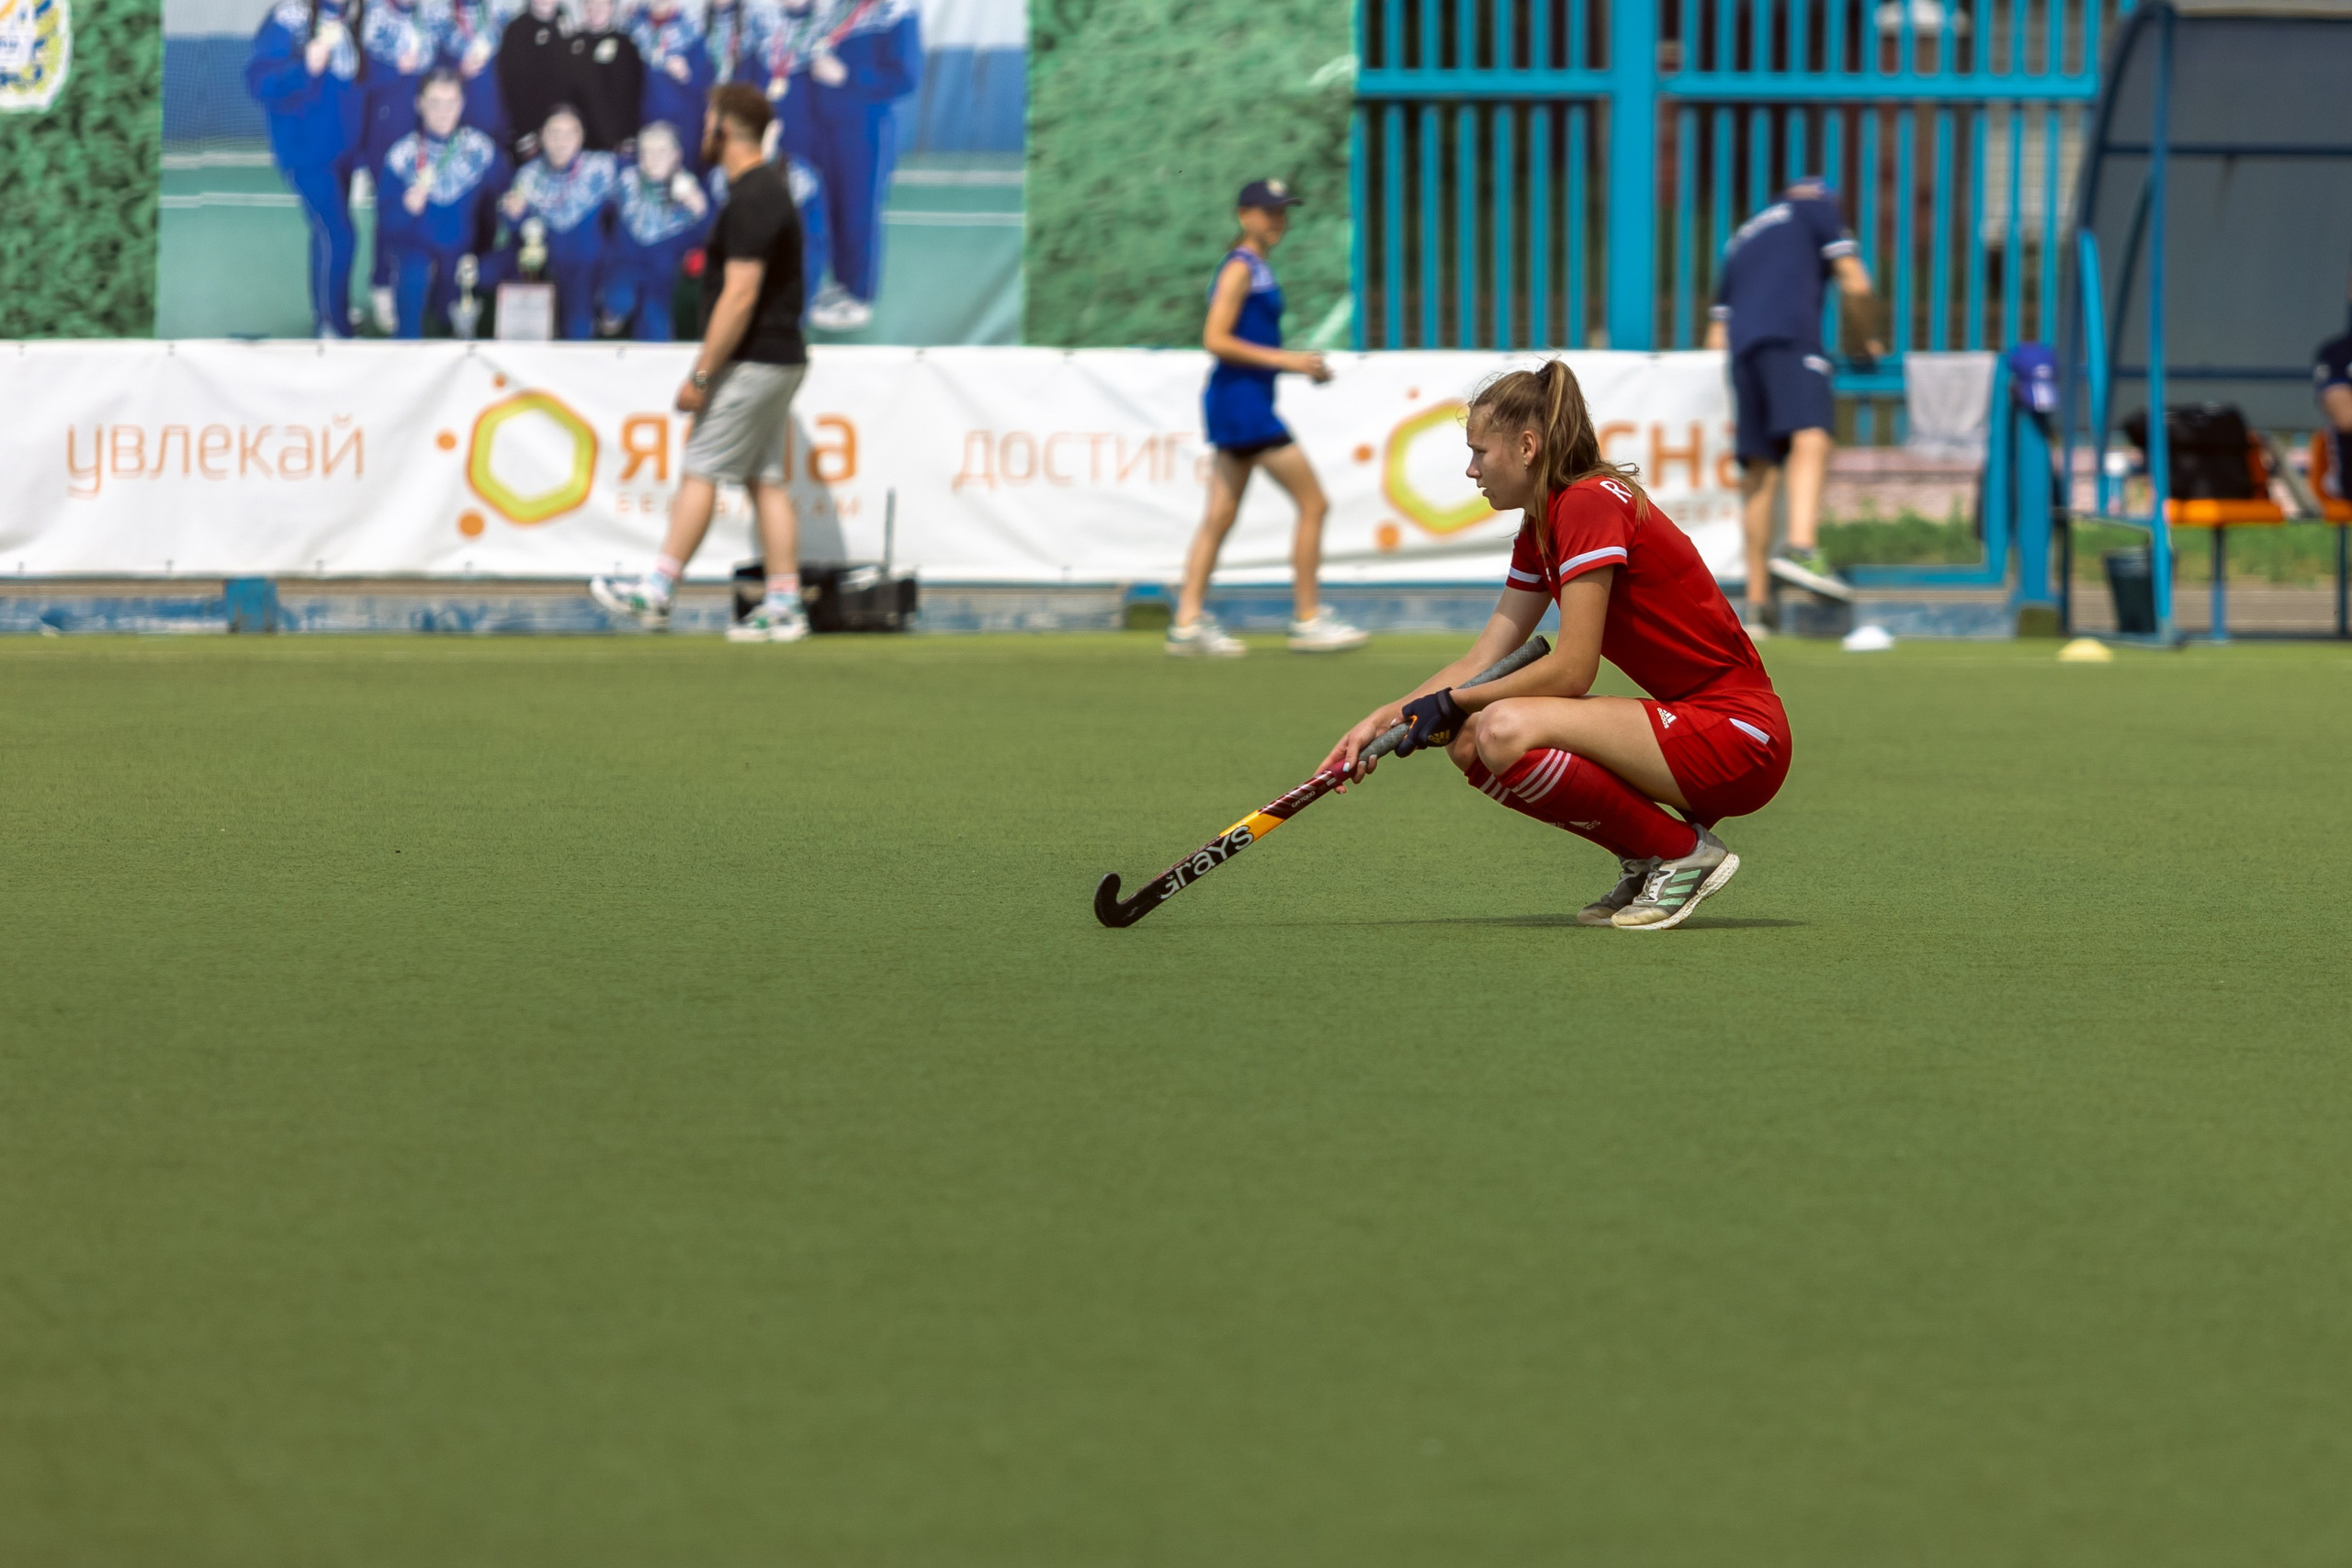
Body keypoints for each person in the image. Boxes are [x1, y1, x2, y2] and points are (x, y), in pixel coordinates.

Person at [1319, 361, 1791, 931]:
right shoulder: (1539, 528)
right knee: (1470, 741)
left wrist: (1459, 701)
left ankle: (1682, 852)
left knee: (1499, 725)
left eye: (1479, 453)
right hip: (1690, 726)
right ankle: (1652, 854)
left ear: (1526, 446)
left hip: (1741, 736)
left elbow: (1572, 670)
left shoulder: (1588, 503)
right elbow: (1479, 660)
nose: (1471, 471)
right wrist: (1383, 718)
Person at [592, 83, 814, 644]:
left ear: (724, 130)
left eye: (708, 120)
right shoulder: (759, 191)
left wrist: (702, 376)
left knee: (700, 466)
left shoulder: (754, 196)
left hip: (756, 358)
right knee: (763, 479)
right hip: (773, 356)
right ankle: (784, 601)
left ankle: (658, 591)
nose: (701, 132)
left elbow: (740, 296)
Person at [1168, 178, 1366, 658]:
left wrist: (1293, 365)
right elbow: (1215, 339)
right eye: (1267, 211)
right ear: (1244, 215)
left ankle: (1187, 622)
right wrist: (1292, 361)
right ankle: (1307, 618)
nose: (1277, 219)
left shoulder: (1256, 267)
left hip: (1241, 400)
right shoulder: (1240, 267)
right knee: (1314, 502)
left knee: (1219, 514)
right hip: (1242, 404)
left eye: (1282, 211)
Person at [1703, 176, 1883, 633]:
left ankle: (1759, 605)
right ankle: (1802, 549)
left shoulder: (1741, 238)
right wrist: (1867, 340)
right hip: (1790, 341)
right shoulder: (1815, 209)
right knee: (1812, 435)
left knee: (1759, 471)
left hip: (1742, 357)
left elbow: (1716, 333)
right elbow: (1855, 283)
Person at [778, 0, 919, 333]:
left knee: (859, 210)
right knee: (829, 210)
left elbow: (906, 77)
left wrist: (847, 76)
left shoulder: (895, 9)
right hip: (820, 126)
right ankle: (841, 283)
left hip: (865, 126)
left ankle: (859, 294)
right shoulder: (828, 7)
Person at [245, 0, 368, 339]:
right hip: (306, 153)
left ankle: (330, 309)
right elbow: (258, 83)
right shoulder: (289, 17)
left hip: (341, 150)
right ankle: (334, 327)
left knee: (326, 234)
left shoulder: (356, 12)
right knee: (341, 236)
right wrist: (304, 68)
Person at [377, 70, 508, 338]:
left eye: (451, 103)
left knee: (450, 321)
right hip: (416, 252)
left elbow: (507, 196)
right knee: (411, 301)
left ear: (462, 103)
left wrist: (513, 211)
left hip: (462, 256)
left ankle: (450, 308)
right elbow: (386, 224)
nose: (443, 112)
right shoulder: (402, 156)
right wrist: (406, 209)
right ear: (419, 104)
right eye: (434, 103)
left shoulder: (481, 149)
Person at [494, 106, 616, 339]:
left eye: (570, 134)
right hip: (542, 270)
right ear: (542, 136)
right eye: (554, 134)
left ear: (581, 137)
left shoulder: (602, 169)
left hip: (586, 268)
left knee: (577, 331)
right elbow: (512, 230)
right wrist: (513, 214)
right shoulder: (528, 176)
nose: (562, 142)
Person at [600, 119, 711, 340]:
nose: (653, 159)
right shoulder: (625, 181)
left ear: (676, 155)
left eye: (661, 151)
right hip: (622, 276)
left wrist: (700, 209)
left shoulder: (690, 190)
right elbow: (599, 216)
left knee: (656, 330)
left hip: (663, 282)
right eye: (646, 152)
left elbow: (710, 238)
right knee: (618, 301)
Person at [628, 0, 716, 169]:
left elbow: (707, 83)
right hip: (644, 123)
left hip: (683, 125)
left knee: (683, 179)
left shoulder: (693, 27)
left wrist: (687, 74)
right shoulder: (633, 25)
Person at [496, 0, 577, 159]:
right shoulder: (517, 29)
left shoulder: (564, 19)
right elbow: (511, 88)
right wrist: (524, 133)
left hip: (562, 127)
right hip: (531, 133)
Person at [568, 0, 645, 152]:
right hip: (579, 138)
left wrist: (628, 134)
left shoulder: (626, 45)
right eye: (590, 4)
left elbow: (634, 93)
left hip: (616, 138)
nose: (596, 10)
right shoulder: (570, 42)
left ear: (612, 8)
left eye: (602, 5)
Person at [442, 0, 524, 141]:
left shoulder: (503, 11)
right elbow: (432, 73)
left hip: (498, 118)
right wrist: (458, 71)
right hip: (457, 120)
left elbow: (517, 67)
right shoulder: (440, 14)